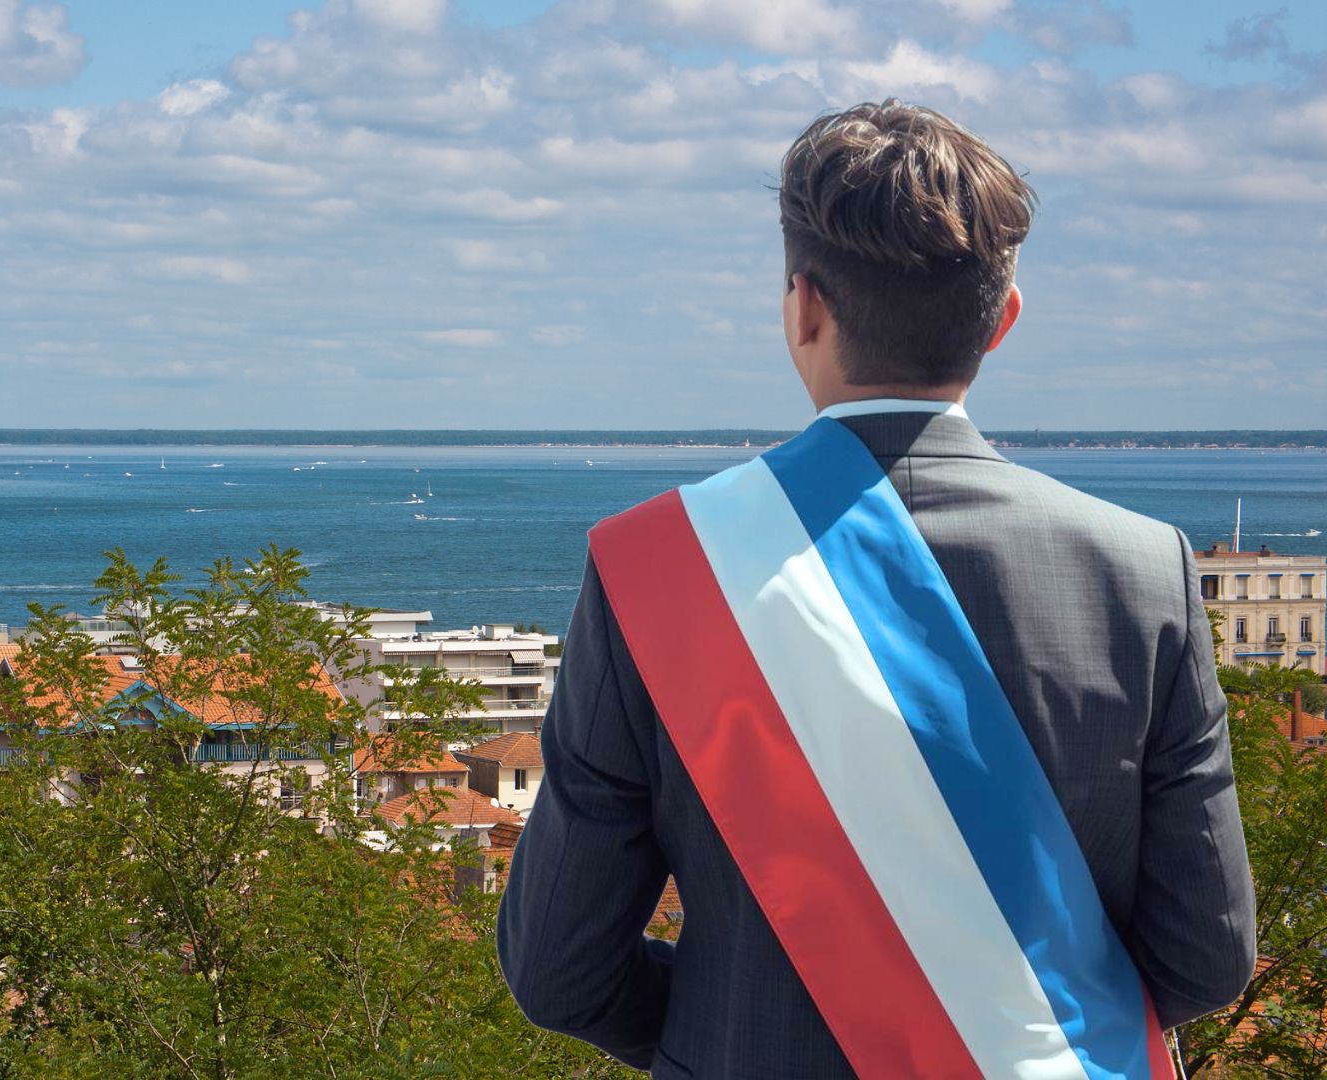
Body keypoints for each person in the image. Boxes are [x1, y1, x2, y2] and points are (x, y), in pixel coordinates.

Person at [497, 100, 1255, 1078]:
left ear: (803, 307)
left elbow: (560, 970)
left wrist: (722, 1031)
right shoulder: (1144, 568)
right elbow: (1207, 953)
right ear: (1003, 321)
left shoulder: (653, 567)